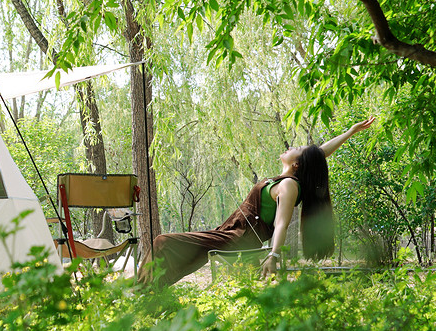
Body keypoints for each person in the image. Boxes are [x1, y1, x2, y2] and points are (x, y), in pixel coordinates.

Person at [136, 118, 376, 286]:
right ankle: (150, 292)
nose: (293, 146)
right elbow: (318, 155)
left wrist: (274, 256)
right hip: (229, 231)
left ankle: (144, 291)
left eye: (298, 148)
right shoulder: (287, 178)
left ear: (297, 164)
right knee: (173, 249)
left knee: (164, 242)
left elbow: (281, 224)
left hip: (237, 239)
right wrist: (351, 132)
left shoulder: (289, 186)